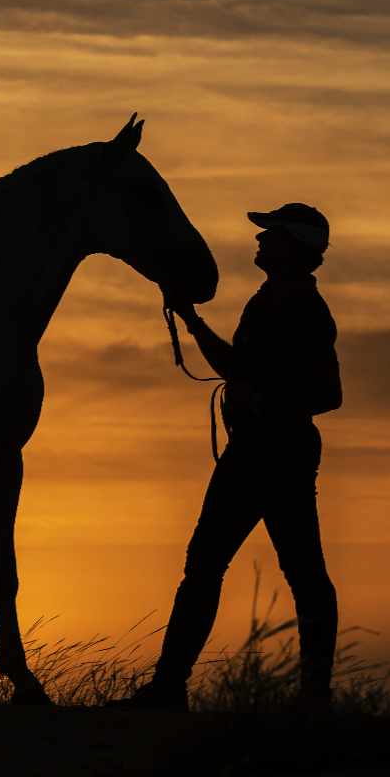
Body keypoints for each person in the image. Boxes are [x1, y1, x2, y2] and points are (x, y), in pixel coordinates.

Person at [110, 202, 342, 711]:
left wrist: (259, 404)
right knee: (207, 565)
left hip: (280, 454)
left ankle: (313, 697)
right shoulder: (267, 301)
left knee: (299, 573)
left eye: (270, 234)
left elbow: (329, 394)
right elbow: (238, 369)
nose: (259, 240)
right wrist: (192, 323)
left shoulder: (305, 311)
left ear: (292, 246)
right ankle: (170, 687)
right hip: (252, 451)